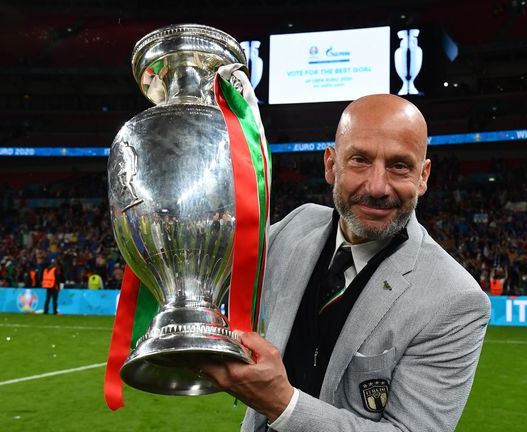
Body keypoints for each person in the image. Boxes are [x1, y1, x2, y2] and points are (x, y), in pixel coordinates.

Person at [198, 94, 491, 431]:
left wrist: (283, 404)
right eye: (360, 160)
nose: (378, 187)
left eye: (400, 166)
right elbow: (218, 268)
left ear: (423, 175)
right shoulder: (297, 226)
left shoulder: (455, 299)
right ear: (330, 165)